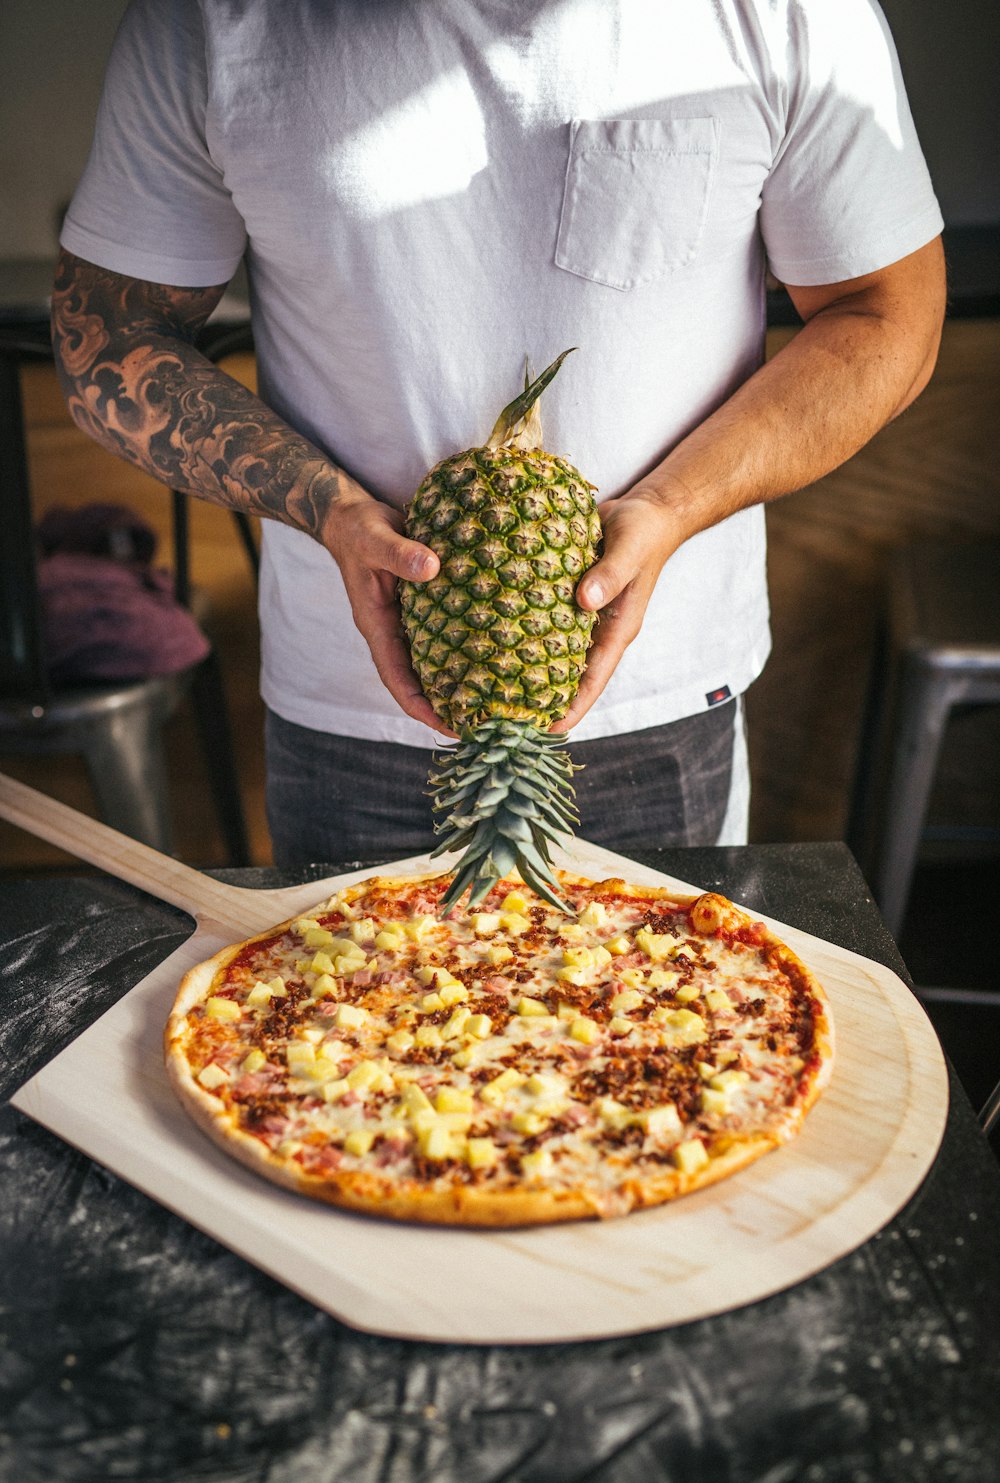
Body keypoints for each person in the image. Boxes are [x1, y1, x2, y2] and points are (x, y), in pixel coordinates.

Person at [52, 0, 946, 866]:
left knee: (676, 1009)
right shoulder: (212, 20)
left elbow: (888, 318)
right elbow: (106, 339)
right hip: (348, 710)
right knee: (334, 1012)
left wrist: (672, 507)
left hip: (661, 699)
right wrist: (326, 507)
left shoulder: (787, 11)